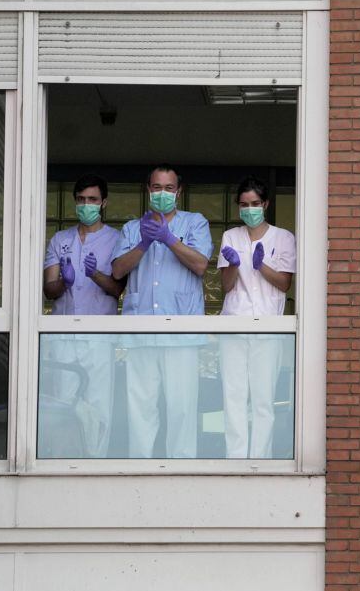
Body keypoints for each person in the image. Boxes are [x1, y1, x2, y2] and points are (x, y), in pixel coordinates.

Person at [111, 165, 213, 458]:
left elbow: (201, 264)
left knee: (182, 408)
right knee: (140, 408)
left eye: (169, 188)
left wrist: (168, 238)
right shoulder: (132, 228)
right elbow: (118, 270)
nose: (163, 193)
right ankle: (139, 466)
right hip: (140, 332)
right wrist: (144, 242)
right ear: (148, 190)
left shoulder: (195, 223)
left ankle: (182, 468)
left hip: (181, 333)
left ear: (178, 192)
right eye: (157, 187)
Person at [41, 174, 124, 458]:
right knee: (63, 406)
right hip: (63, 335)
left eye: (92, 200)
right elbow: (49, 290)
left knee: (98, 407)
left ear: (103, 203)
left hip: (98, 338)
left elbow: (117, 288)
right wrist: (64, 281)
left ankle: (95, 464)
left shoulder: (116, 239)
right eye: (81, 200)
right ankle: (63, 464)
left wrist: (95, 275)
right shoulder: (60, 239)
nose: (86, 205)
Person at [218, 176, 296, 459]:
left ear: (265, 204)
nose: (249, 209)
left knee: (263, 399)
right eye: (243, 205)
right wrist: (234, 266)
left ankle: (260, 458)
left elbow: (285, 283)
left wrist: (260, 265)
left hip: (268, 328)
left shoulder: (283, 237)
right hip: (234, 326)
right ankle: (236, 457)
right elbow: (226, 286)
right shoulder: (231, 237)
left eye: (254, 204)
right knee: (234, 396)